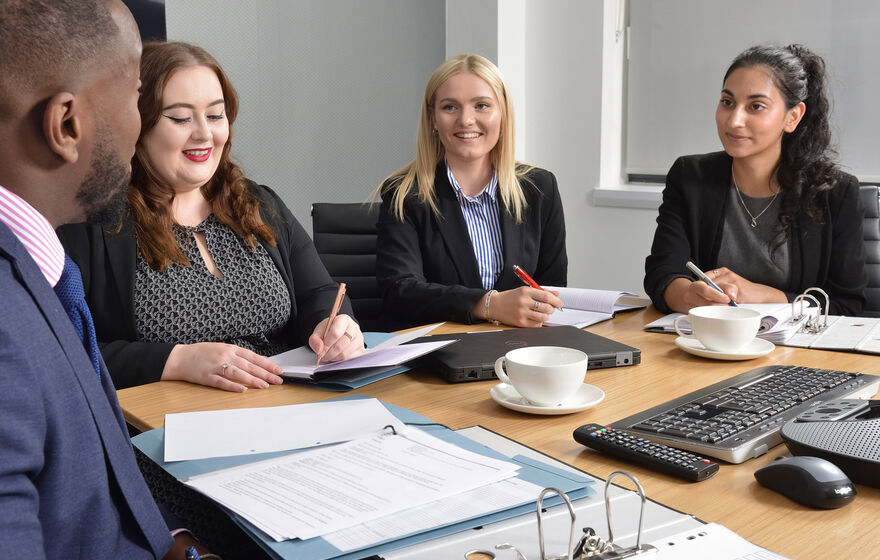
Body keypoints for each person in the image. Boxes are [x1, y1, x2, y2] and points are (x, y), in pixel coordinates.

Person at [0, 1, 257, 560]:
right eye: (134, 96)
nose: (140, 125)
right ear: (67, 124)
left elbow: (91, 485)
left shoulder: (39, 270)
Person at [58, 41, 364, 392]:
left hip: (287, 409)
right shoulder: (93, 222)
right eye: (181, 118)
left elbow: (319, 292)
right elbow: (64, 351)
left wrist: (333, 324)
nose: (204, 133)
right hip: (169, 428)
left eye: (215, 115)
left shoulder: (258, 203)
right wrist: (176, 360)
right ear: (137, 124)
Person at [644, 44, 867, 316]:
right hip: (709, 345)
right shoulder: (690, 176)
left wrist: (763, 295)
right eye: (727, 102)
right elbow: (662, 273)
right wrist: (689, 296)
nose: (734, 120)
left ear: (792, 117)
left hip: (798, 353)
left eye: (756, 106)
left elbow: (847, 306)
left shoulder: (835, 193)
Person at [374, 54, 568, 329]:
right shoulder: (405, 194)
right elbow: (400, 292)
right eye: (450, 107)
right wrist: (488, 305)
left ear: (502, 114)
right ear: (433, 118)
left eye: (481, 106)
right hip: (438, 351)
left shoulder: (540, 188)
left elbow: (552, 286)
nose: (466, 120)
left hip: (521, 347)